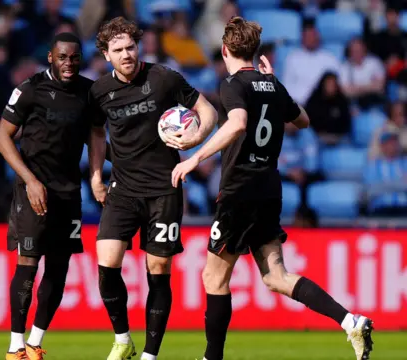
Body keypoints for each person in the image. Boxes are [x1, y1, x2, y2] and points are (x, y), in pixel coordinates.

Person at [171, 16, 374, 360]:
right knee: (276, 276)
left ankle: (212, 357)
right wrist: (275, 84)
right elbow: (304, 121)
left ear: (224, 50)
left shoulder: (232, 84)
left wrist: (193, 158)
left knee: (214, 278)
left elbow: (236, 124)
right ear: (256, 50)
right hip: (269, 188)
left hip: (239, 191)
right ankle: (349, 319)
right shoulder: (272, 84)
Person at [88, 16, 218, 360]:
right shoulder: (100, 91)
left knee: (158, 270)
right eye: (118, 50)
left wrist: (195, 137)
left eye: (131, 47)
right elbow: (97, 133)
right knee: (107, 263)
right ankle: (122, 338)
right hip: (123, 190)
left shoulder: (163, 78)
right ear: (106, 54)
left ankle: (150, 355)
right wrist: (96, 176)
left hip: (164, 189)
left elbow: (208, 112)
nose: (127, 54)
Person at [0, 32, 94, 360]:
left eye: (74, 57)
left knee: (59, 267)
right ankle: (14, 347)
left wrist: (97, 175)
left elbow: (96, 136)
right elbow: (2, 137)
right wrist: (30, 180)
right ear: (50, 57)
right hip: (33, 188)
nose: (69, 64)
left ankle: (35, 344)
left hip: (69, 192)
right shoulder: (30, 90)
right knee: (28, 261)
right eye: (62, 57)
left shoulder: (87, 91)